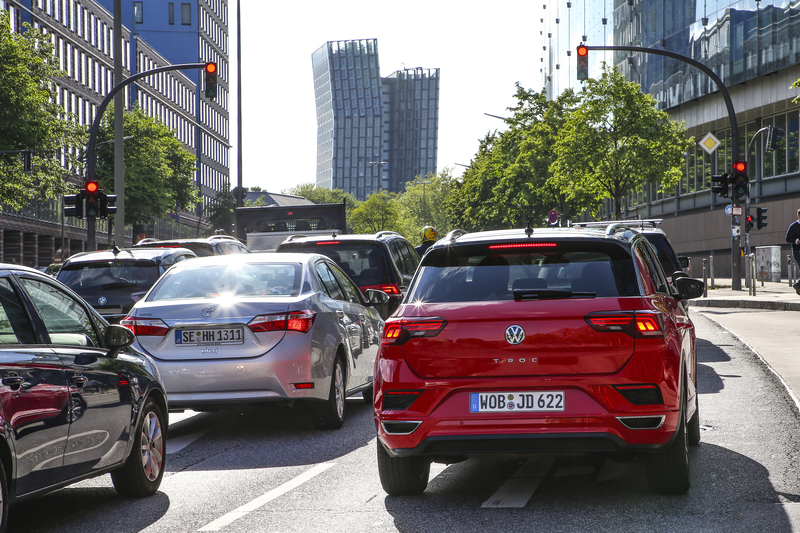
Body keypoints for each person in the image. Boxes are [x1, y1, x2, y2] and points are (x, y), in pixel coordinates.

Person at [785, 208, 800, 294]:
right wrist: (796, 241)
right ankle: (798, 284)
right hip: (797, 250)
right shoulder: (793, 226)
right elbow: (788, 238)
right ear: (798, 216)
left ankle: (798, 285)